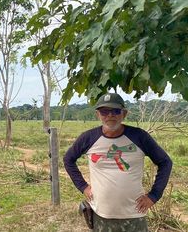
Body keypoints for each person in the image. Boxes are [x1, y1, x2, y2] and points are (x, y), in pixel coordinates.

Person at [63, 93, 172, 231]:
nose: (110, 115)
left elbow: (165, 162)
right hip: (101, 214)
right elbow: (68, 159)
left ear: (124, 114)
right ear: (98, 114)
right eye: (104, 111)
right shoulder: (88, 138)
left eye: (115, 111)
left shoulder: (139, 136)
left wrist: (154, 196)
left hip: (134, 215)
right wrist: (83, 186)